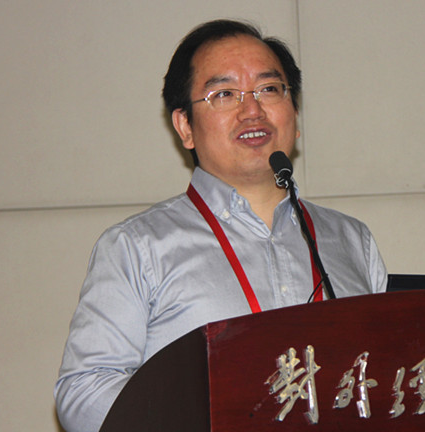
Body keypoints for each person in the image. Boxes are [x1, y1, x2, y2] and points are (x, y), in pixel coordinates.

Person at [54, 19, 387, 432]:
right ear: (185, 126)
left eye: (269, 89)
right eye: (224, 94)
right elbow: (84, 393)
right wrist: (208, 416)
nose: (253, 110)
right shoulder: (138, 247)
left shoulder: (352, 240)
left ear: (295, 114)